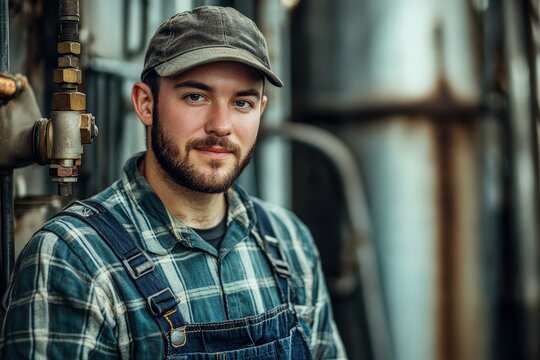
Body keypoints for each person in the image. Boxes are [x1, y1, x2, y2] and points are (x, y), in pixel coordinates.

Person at [0, 5, 346, 359]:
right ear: (145, 104)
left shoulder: (290, 243)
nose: (221, 125)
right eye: (196, 96)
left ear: (261, 110)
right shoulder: (76, 259)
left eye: (242, 102)